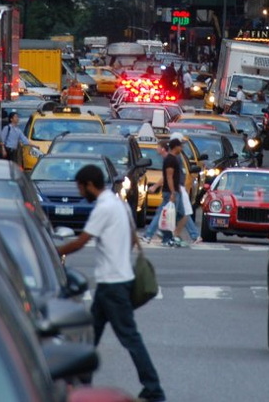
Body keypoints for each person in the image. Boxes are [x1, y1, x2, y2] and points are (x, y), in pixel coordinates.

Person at [56, 165, 166, 402]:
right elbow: (130, 238)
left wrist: (54, 251)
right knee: (92, 336)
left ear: (89, 184)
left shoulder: (103, 208)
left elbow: (81, 242)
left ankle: (154, 388)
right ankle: (82, 383)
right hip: (115, 280)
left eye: (80, 187)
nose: (79, 192)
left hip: (112, 285)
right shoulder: (119, 204)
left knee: (130, 338)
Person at [159, 137, 188, 247]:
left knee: (180, 214)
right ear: (175, 147)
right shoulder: (170, 159)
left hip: (176, 190)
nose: (181, 148)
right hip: (170, 192)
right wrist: (173, 192)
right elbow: (169, 177)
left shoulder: (174, 158)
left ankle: (170, 235)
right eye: (180, 146)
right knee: (170, 215)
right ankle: (167, 238)